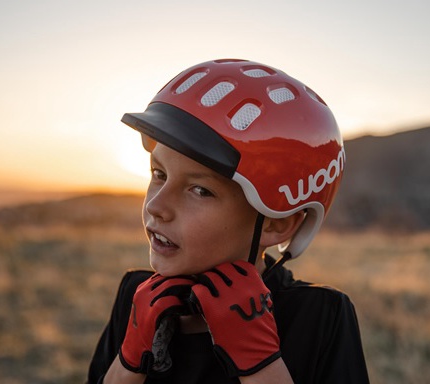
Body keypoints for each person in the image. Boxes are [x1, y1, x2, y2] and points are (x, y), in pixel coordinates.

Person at [87, 59, 369, 383]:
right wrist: (129, 361)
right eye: (158, 174)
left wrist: (261, 365)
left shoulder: (320, 316)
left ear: (277, 224)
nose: (156, 205)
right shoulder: (137, 295)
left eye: (200, 190)